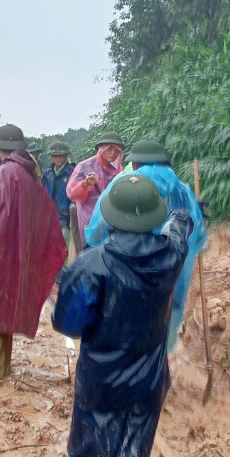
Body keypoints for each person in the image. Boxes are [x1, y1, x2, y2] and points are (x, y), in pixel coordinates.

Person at [54, 174, 192, 457]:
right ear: (150, 219)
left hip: (100, 383)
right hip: (147, 386)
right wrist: (180, 210)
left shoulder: (92, 264)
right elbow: (180, 225)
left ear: (110, 218)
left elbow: (67, 324)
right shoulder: (170, 256)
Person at [85, 137, 207, 352]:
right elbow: (197, 238)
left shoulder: (124, 185)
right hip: (170, 280)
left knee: (124, 338)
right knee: (161, 340)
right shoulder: (182, 190)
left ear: (136, 163)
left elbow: (96, 232)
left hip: (124, 276)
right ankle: (162, 374)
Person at [0, 123, 67, 379]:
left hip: (0, 251)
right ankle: (1, 368)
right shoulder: (28, 173)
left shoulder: (6, 173)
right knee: (3, 307)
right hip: (17, 254)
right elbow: (42, 213)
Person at [65, 134, 124, 251]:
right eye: (110, 149)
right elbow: (71, 193)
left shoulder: (117, 170)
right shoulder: (85, 166)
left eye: (117, 150)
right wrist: (85, 184)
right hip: (88, 218)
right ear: (101, 149)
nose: (113, 153)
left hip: (109, 219)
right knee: (87, 251)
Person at [41, 140, 76, 260]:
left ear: (66, 156)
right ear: (51, 157)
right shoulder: (47, 174)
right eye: (55, 156)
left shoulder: (73, 172)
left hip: (65, 217)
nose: (58, 158)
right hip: (49, 217)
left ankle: (63, 276)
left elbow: (76, 195)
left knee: (64, 249)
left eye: (61, 155)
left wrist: (73, 217)